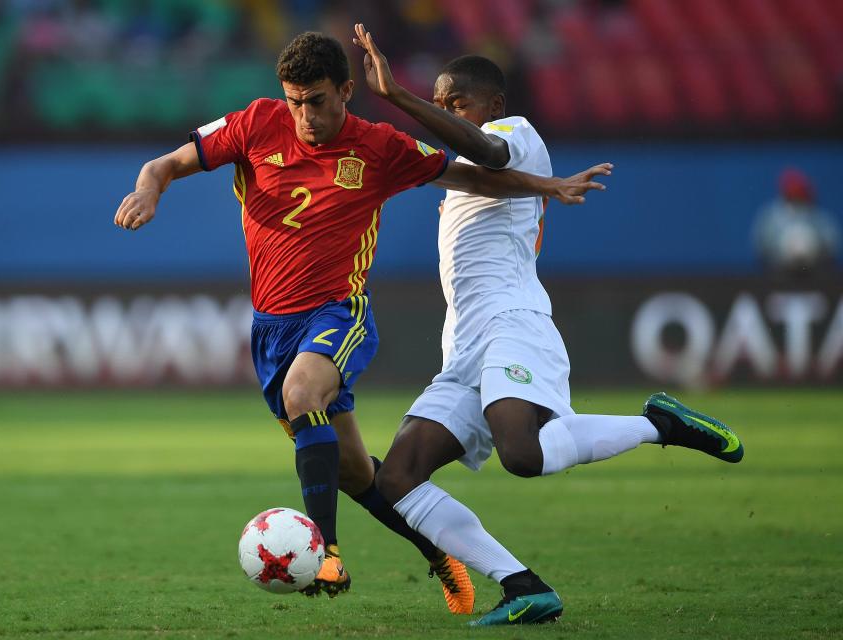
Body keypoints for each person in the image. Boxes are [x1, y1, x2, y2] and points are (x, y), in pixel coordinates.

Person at [113, 31, 610, 610]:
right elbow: (164, 163)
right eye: (295, 101)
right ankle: (439, 554)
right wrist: (148, 191)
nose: (304, 115)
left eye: (317, 101)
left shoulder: (377, 147)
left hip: (337, 313)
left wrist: (547, 186)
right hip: (271, 327)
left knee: (305, 393)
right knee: (354, 473)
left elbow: (471, 175)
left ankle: (325, 553)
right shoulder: (254, 123)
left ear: (346, 91)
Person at [351, 23, 745, 626]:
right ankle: (522, 584)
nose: (451, 114)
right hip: (463, 345)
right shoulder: (464, 172)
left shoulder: (514, 134)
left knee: (522, 452)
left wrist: (400, 97)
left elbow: (487, 152)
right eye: (442, 105)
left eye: (457, 103)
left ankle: (656, 424)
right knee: (399, 477)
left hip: (514, 321)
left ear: (495, 105)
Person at [753, 168, 840, 277]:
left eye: (799, 191)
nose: (796, 195)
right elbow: (762, 248)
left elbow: (832, 246)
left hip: (814, 275)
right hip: (779, 275)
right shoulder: (771, 218)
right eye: (792, 191)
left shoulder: (819, 218)